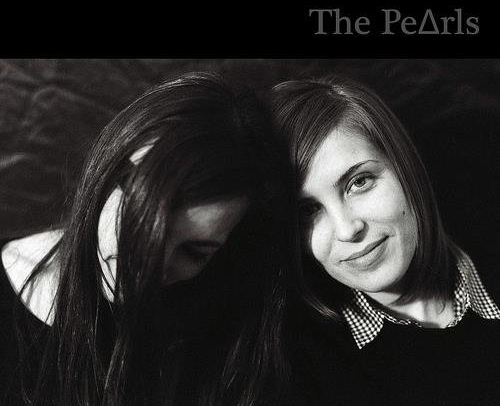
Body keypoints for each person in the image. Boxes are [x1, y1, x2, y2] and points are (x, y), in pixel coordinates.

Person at [0, 72, 291, 406]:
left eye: (194, 252)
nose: (146, 266)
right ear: (106, 171)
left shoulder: (218, 335)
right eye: (140, 219)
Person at [271, 75, 500, 406]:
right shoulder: (301, 374)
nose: (347, 230)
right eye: (307, 211)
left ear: (404, 166)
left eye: (359, 182)